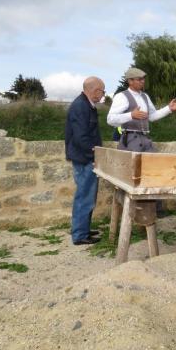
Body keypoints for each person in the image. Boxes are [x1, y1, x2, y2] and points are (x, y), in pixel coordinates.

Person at [65, 77, 105, 245]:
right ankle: (80, 235)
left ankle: (83, 229)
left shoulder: (85, 104)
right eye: (102, 91)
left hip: (85, 157)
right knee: (85, 197)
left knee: (86, 196)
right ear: (94, 90)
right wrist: (95, 153)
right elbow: (81, 137)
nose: (103, 95)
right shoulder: (81, 106)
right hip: (84, 159)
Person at [106, 67, 176, 153]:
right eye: (139, 79)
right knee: (135, 165)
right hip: (129, 140)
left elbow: (152, 116)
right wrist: (131, 115)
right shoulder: (121, 96)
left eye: (143, 79)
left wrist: (168, 109)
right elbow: (110, 119)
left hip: (145, 138)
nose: (143, 81)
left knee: (153, 162)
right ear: (130, 81)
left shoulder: (145, 96)